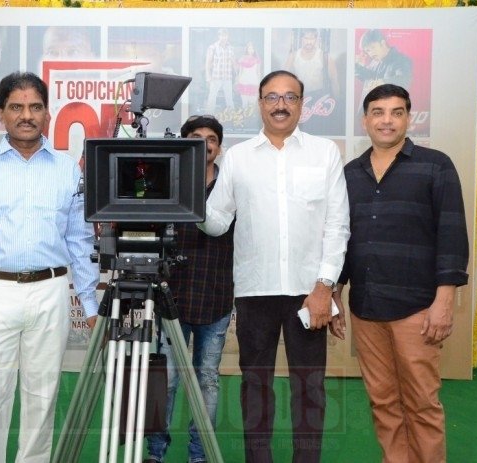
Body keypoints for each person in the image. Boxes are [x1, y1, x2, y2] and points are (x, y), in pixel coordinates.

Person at [0, 71, 99, 463]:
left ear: (47, 113)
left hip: (51, 291)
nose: (26, 115)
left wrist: (90, 303)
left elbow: (79, 240)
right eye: (16, 107)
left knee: (42, 398)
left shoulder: (68, 169)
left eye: (35, 107)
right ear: (1, 113)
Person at [198, 70, 350, 462]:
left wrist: (324, 287)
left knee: (310, 389)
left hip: (309, 293)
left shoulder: (325, 153)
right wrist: (187, 202)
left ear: (302, 104)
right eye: (272, 97)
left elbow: (337, 226)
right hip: (255, 291)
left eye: (289, 97)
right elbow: (217, 221)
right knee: (256, 388)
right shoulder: (238, 158)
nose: (280, 105)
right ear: (260, 103)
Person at [332, 84, 469, 463]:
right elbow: (342, 237)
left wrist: (444, 300)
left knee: (422, 402)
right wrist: (336, 291)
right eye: (378, 112)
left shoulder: (435, 165)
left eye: (396, 112)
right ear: (365, 120)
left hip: (418, 308)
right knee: (383, 401)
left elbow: (452, 233)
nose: (387, 120)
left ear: (409, 118)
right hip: (366, 307)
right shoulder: (350, 173)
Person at [144, 115, 234, 463]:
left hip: (216, 296)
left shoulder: (231, 186)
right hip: (172, 297)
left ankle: (201, 454)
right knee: (164, 380)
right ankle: (155, 452)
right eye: (196, 137)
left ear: (219, 147)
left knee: (207, 381)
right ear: (184, 143)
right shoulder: (168, 183)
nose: (204, 144)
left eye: (211, 138)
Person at [355, 29, 412, 98]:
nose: (371, 53)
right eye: (368, 50)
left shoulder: (401, 59)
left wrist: (383, 82)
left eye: (373, 47)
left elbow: (404, 79)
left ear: (383, 43)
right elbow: (368, 76)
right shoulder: (374, 62)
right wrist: (356, 65)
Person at [284, 29, 339, 97]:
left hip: (318, 98)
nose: (309, 42)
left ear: (316, 39)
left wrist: (337, 100)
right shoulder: (293, 56)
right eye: (306, 38)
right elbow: (283, 79)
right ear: (302, 39)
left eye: (312, 38)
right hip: (299, 96)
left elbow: (334, 81)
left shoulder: (324, 56)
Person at [205, 28, 236, 114]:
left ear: (228, 36)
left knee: (229, 98)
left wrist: (237, 75)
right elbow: (208, 63)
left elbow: (233, 63)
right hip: (216, 77)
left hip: (227, 77)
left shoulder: (231, 48)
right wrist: (208, 77)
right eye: (222, 35)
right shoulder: (213, 47)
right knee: (212, 97)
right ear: (219, 36)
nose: (223, 37)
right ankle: (208, 116)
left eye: (225, 35)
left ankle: (233, 117)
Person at [237, 42, 262, 108]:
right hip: (244, 81)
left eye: (252, 48)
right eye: (249, 48)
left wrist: (259, 82)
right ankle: (244, 113)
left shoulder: (257, 60)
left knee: (252, 103)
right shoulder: (242, 59)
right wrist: (238, 80)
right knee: (244, 103)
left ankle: (251, 114)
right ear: (247, 49)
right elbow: (240, 72)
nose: (250, 50)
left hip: (254, 81)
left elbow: (258, 72)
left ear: (254, 49)